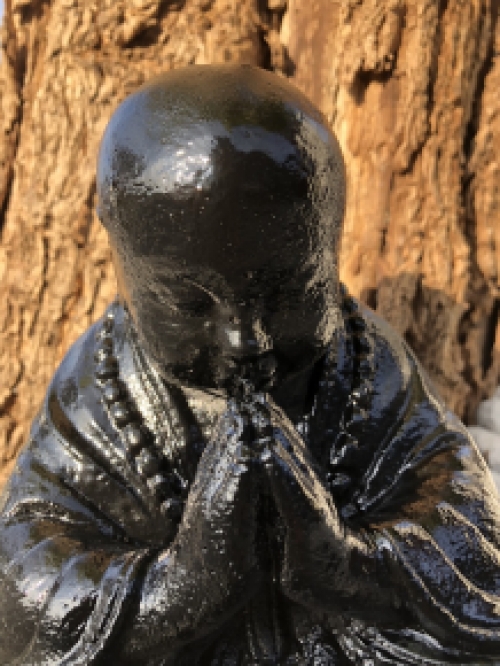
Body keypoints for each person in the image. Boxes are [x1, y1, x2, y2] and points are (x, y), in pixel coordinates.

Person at [1, 64, 500, 666]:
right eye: (190, 304)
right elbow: (25, 579)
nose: (246, 339)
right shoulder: (101, 396)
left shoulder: (371, 371)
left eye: (290, 293)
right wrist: (180, 591)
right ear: (121, 253)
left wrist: (348, 567)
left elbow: (471, 533)